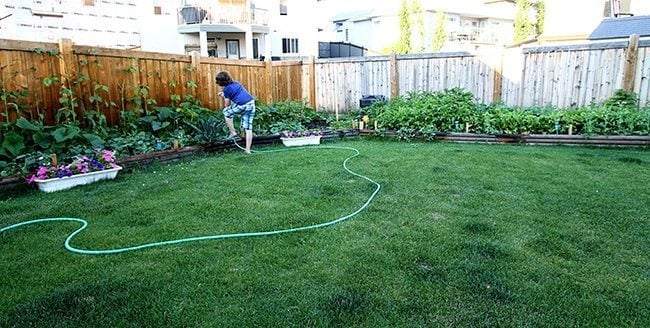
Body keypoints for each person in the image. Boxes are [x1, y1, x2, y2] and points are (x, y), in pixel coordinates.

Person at [216, 71, 256, 154]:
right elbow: (235, 93)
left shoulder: (226, 89)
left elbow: (227, 104)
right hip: (251, 104)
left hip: (243, 105)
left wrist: (225, 97)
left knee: (226, 112)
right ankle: (247, 150)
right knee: (248, 128)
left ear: (220, 82)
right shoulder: (236, 83)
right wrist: (224, 94)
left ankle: (233, 132)